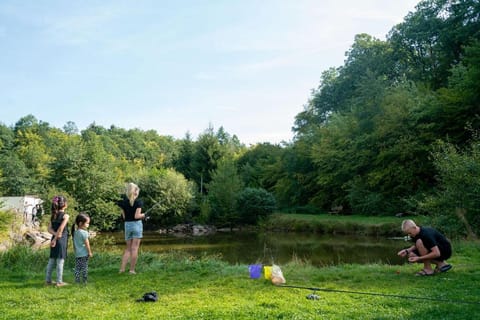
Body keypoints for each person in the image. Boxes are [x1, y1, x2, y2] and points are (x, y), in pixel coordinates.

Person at [117, 183, 147, 274]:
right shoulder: (138, 202)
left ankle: (122, 269)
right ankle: (132, 270)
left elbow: (124, 217)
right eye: (137, 191)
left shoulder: (122, 202)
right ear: (135, 191)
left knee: (128, 249)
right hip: (136, 225)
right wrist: (144, 215)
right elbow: (137, 216)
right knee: (134, 249)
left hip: (127, 225)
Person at [45, 196, 70, 286]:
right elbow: (61, 229)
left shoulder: (53, 215)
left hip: (54, 239)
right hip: (61, 240)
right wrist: (56, 238)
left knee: (51, 260)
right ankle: (59, 282)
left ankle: (48, 281)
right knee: (60, 261)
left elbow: (49, 229)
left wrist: (54, 236)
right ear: (64, 205)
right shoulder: (66, 216)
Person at [71, 212, 93, 284]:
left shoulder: (75, 232)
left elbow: (74, 243)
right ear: (80, 223)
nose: (88, 225)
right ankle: (85, 281)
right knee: (84, 267)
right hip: (84, 254)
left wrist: (75, 250)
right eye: (87, 223)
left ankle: (77, 280)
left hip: (77, 254)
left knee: (77, 268)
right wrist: (89, 252)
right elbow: (87, 243)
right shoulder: (84, 233)